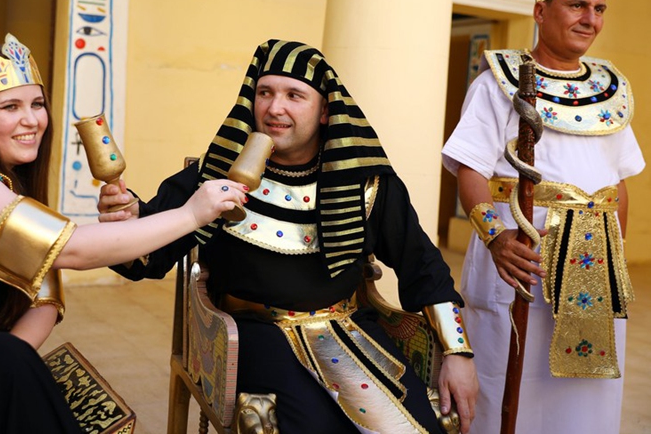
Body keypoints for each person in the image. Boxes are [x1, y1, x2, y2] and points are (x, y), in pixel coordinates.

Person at [0, 33, 246, 434]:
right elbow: (71, 250)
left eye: (37, 104)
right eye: (10, 106)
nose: (32, 120)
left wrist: (3, 363)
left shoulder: (4, 187)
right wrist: (192, 213)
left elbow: (45, 298)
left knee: (10, 365)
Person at [101, 39, 478, 433]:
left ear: (325, 111)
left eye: (293, 95)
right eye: (264, 92)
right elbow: (149, 256)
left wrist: (457, 351)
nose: (274, 108)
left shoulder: (366, 182)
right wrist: (127, 220)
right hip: (255, 334)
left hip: (348, 327)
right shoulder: (215, 174)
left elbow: (422, 265)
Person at [441, 0, 645, 434]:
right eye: (577, 5)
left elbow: (620, 184)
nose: (589, 18)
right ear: (540, 10)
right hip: (522, 256)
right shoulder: (497, 82)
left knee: (588, 390)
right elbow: (468, 169)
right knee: (507, 382)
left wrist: (614, 262)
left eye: (598, 9)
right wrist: (495, 239)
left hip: (593, 265)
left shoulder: (609, 91)